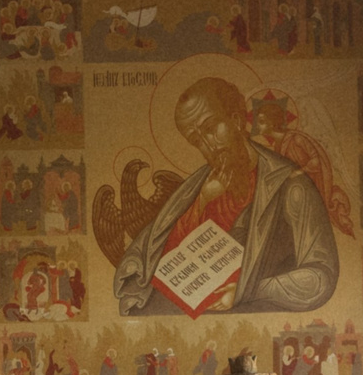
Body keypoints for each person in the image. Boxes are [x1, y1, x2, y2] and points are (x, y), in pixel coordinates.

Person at [115, 76, 339, 316]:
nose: (208, 146)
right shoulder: (197, 188)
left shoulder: (291, 187)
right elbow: (156, 264)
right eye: (196, 140)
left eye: (211, 129)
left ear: (236, 120)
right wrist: (202, 201)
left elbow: (320, 279)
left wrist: (248, 290)